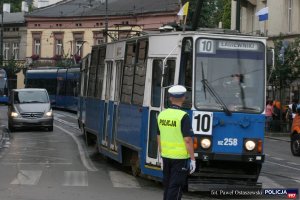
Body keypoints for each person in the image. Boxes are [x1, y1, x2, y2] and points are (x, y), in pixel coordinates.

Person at [157, 85, 195, 200]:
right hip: (180, 158)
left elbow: (158, 135)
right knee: (176, 186)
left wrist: (161, 153)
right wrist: (193, 159)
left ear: (170, 98)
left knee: (168, 185)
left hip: (166, 156)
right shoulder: (183, 116)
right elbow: (187, 140)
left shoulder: (162, 114)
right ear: (183, 98)